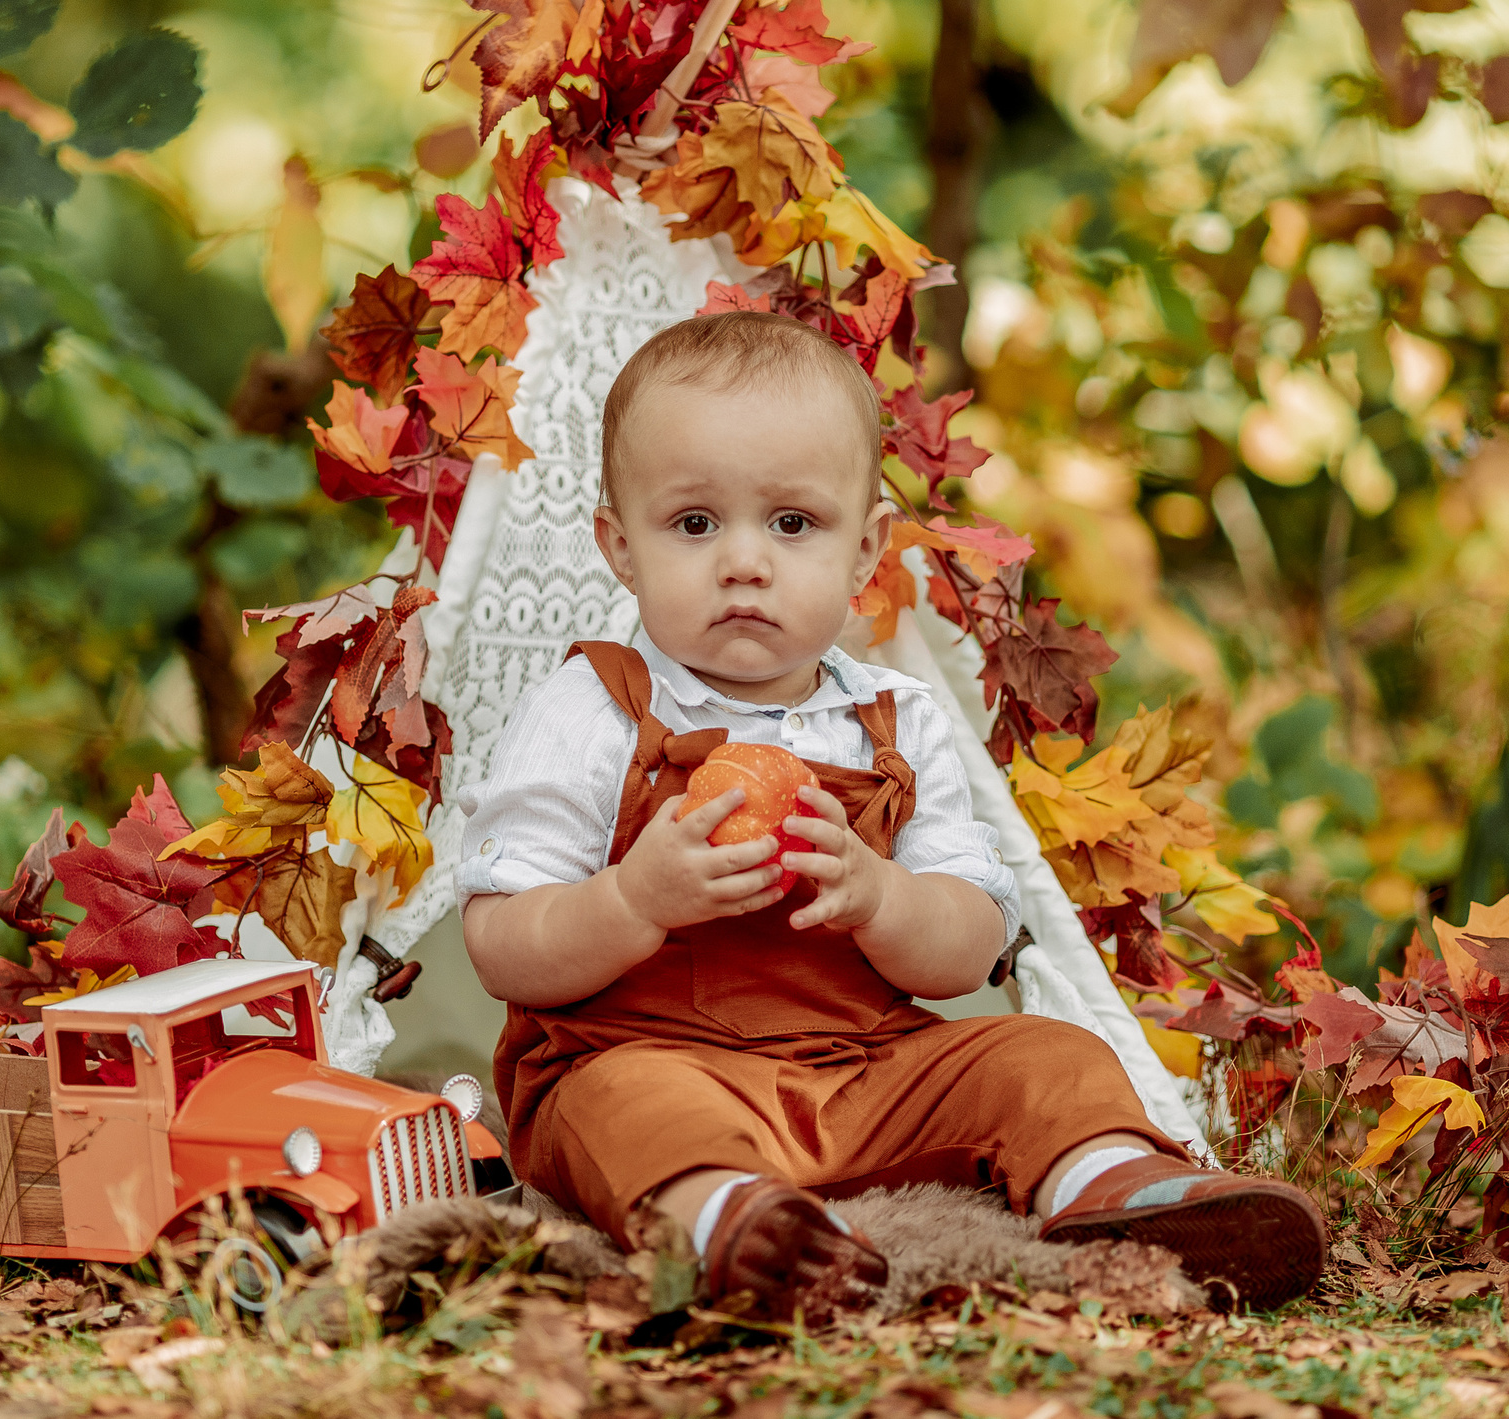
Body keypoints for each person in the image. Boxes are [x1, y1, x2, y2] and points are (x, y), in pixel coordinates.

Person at [456, 310, 1323, 1315]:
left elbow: (964, 950)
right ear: (620, 546)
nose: (745, 561)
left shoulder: (890, 722)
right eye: (694, 524)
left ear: (865, 550)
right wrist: (631, 901)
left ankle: (1116, 1193)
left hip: (865, 1073)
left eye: (792, 524)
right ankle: (734, 1225)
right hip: (652, 1059)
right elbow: (501, 947)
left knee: (1044, 1052)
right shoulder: (596, 707)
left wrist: (880, 896)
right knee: (608, 1107)